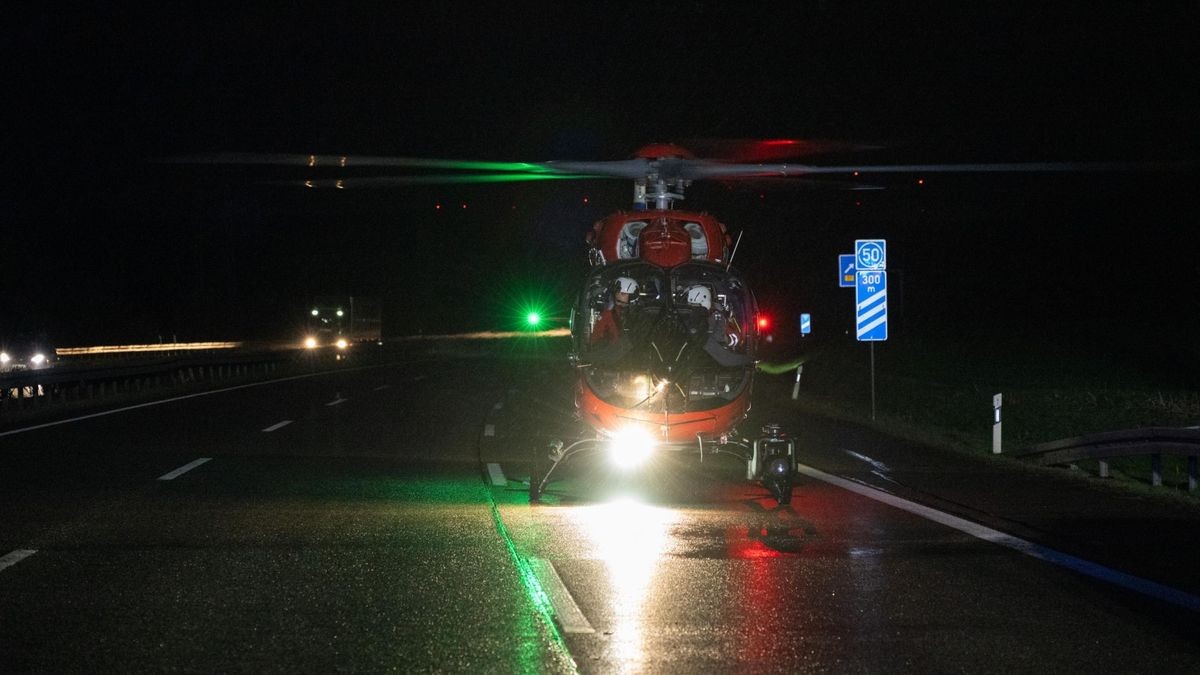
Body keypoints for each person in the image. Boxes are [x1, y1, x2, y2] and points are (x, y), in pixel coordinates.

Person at [591, 276, 638, 344]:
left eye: (623, 293)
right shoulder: (607, 315)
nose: (618, 295)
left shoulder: (638, 315)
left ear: (632, 296)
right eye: (617, 292)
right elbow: (595, 339)